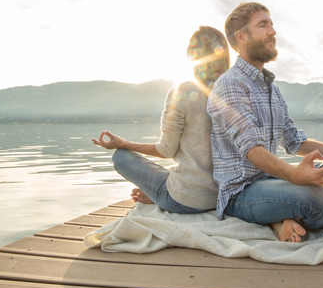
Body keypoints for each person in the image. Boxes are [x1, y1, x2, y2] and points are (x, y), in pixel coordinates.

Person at [207, 2, 323, 242]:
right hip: (242, 192)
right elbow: (252, 150)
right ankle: (322, 209)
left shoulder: (273, 91)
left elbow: (293, 141)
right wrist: (295, 176)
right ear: (241, 37)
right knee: (317, 200)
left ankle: (287, 217)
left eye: (271, 24)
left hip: (273, 182)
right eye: (263, 25)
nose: (273, 31)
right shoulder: (229, 85)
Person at [93, 26, 229, 213]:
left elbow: (166, 150)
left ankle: (158, 195)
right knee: (176, 172)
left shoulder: (183, 90)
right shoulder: (234, 91)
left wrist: (124, 143)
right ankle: (156, 192)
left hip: (187, 200)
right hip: (225, 197)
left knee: (121, 157)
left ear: (192, 55)